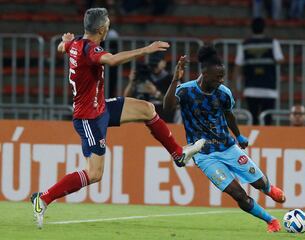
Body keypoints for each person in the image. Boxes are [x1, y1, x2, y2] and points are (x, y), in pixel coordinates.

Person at [30, 8, 205, 229]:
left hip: (100, 108)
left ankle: (178, 154)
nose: (109, 28)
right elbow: (111, 61)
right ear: (102, 29)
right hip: (89, 118)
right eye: (109, 25)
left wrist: (64, 44)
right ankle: (44, 198)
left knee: (147, 109)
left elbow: (61, 46)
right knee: (94, 174)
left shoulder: (75, 43)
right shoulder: (90, 49)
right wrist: (146, 49)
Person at [164, 45, 286, 232]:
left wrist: (238, 135)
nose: (221, 80)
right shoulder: (185, 91)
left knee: (258, 183)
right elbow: (168, 108)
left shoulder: (223, 93)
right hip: (204, 155)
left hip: (228, 147)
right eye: (218, 77)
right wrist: (175, 79)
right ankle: (271, 220)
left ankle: (268, 189)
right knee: (238, 194)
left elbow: (229, 115)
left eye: (222, 76)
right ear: (204, 72)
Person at [232, 18, 284, 125]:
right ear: (264, 28)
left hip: (251, 88)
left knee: (253, 119)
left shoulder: (245, 44)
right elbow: (280, 59)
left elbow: (237, 66)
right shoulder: (272, 42)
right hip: (269, 88)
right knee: (268, 120)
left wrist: (235, 87)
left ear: (251, 29)